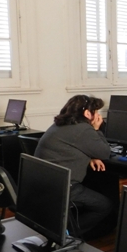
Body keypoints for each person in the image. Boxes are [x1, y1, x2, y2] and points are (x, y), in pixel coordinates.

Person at [34, 95, 112, 237]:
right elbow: (105, 152)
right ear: (88, 113)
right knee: (104, 206)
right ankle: (67, 233)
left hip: (42, 184)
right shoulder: (84, 129)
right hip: (63, 187)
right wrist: (96, 129)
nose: (98, 115)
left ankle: (64, 228)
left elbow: (69, 147)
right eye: (96, 111)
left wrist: (90, 157)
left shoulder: (59, 124)